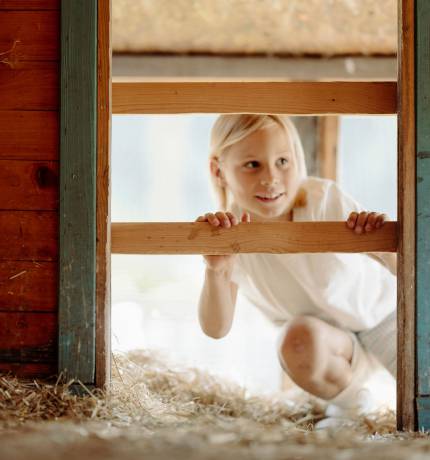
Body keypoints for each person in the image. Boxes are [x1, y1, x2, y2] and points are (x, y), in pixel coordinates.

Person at [196, 114, 397, 427]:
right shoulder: (230, 233)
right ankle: (353, 408)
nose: (271, 178)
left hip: (385, 317)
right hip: (326, 345)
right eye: (252, 165)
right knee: (295, 339)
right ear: (218, 171)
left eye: (282, 161)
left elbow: (404, 268)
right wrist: (215, 269)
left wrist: (381, 242)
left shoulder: (324, 200)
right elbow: (215, 328)